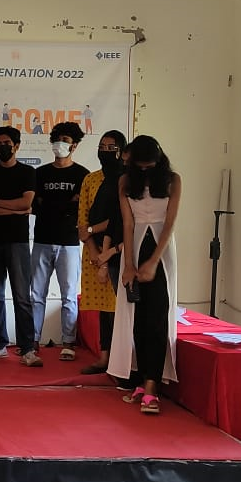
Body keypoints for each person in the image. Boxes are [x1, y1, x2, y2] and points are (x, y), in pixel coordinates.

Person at [109, 135, 180, 414]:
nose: (146, 170)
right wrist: (128, 263)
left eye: (150, 165)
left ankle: (153, 385)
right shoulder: (125, 181)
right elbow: (128, 223)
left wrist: (153, 261)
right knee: (137, 317)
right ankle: (140, 380)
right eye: (141, 166)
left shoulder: (173, 180)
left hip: (162, 251)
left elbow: (170, 223)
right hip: (135, 245)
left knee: (157, 317)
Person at [0, 126, 38, 366]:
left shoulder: (27, 172)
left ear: (17, 146)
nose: (2, 146)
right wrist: (14, 209)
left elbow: (26, 203)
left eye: (7, 143)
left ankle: (27, 348)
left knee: (22, 296)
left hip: (18, 240)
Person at [30, 122, 88, 361]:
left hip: (70, 243)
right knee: (36, 295)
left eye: (65, 140)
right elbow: (34, 205)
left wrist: (50, 204)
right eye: (56, 139)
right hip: (42, 239)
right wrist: (66, 204)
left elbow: (80, 209)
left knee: (69, 296)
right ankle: (32, 340)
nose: (59, 144)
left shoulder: (82, 175)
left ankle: (68, 342)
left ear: (74, 145)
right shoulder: (40, 173)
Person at [76, 130, 127, 374]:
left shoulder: (125, 180)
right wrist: (93, 249)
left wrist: (93, 233)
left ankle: (120, 361)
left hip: (118, 250)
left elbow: (120, 219)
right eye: (101, 146)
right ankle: (104, 358)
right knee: (103, 308)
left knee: (117, 307)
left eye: (111, 148)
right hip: (93, 251)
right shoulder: (91, 179)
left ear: (122, 151)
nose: (105, 151)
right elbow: (82, 219)